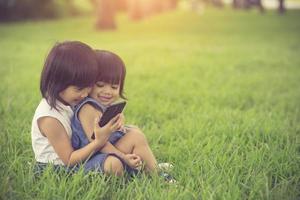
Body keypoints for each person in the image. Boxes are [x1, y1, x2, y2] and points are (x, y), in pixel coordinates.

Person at [31, 41, 123, 175]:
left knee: (132, 135)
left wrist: (115, 119)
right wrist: (98, 142)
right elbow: (69, 159)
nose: (85, 94)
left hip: (82, 155)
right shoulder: (50, 118)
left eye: (89, 86)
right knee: (113, 164)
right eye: (79, 89)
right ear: (57, 82)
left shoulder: (69, 98)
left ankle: (149, 168)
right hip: (58, 169)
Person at [71, 50, 160, 176]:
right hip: (90, 159)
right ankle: (157, 175)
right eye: (100, 85)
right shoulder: (87, 109)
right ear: (89, 82)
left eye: (114, 87)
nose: (107, 91)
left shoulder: (101, 106)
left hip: (102, 152)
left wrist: (119, 123)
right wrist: (123, 157)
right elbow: (98, 144)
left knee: (134, 132)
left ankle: (150, 166)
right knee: (128, 146)